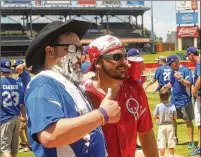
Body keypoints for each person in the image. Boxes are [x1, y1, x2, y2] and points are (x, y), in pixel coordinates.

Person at [24, 20, 121, 157]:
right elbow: (50, 135)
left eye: (80, 49)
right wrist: (102, 114)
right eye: (72, 48)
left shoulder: (67, 84)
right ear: (50, 51)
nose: (80, 56)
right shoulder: (43, 85)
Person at [80, 35, 158, 157]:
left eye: (124, 56)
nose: (124, 62)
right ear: (97, 63)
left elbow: (146, 133)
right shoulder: (82, 94)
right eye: (116, 57)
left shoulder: (135, 89)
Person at [164, 55, 195, 149]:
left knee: (188, 121)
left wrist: (180, 78)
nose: (169, 66)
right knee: (173, 121)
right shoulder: (172, 71)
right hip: (174, 101)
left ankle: (191, 141)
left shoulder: (185, 70)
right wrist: (165, 86)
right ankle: (174, 138)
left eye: (170, 64)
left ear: (176, 61)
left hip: (184, 100)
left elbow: (189, 84)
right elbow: (172, 83)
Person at [0, 58, 24, 157]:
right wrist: (24, 117)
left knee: (5, 150)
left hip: (5, 118)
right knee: (14, 151)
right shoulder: (17, 83)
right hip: (17, 118)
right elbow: (22, 104)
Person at [12, 58, 31, 152]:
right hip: (20, 104)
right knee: (21, 125)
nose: (15, 68)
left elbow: (20, 67)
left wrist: (24, 64)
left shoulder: (25, 74)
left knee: (23, 125)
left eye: (16, 66)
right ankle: (25, 144)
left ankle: (28, 144)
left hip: (24, 104)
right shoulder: (19, 76)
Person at [186, 47, 201, 156]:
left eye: (188, 56)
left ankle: (200, 147)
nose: (188, 58)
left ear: (191, 54)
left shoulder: (199, 64)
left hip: (199, 97)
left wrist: (194, 90)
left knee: (199, 123)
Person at [154, 88, 177, 157]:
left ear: (160, 97)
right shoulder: (172, 106)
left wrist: (159, 118)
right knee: (171, 143)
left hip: (161, 126)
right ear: (169, 96)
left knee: (161, 144)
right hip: (170, 126)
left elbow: (155, 116)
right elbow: (175, 118)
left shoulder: (158, 106)